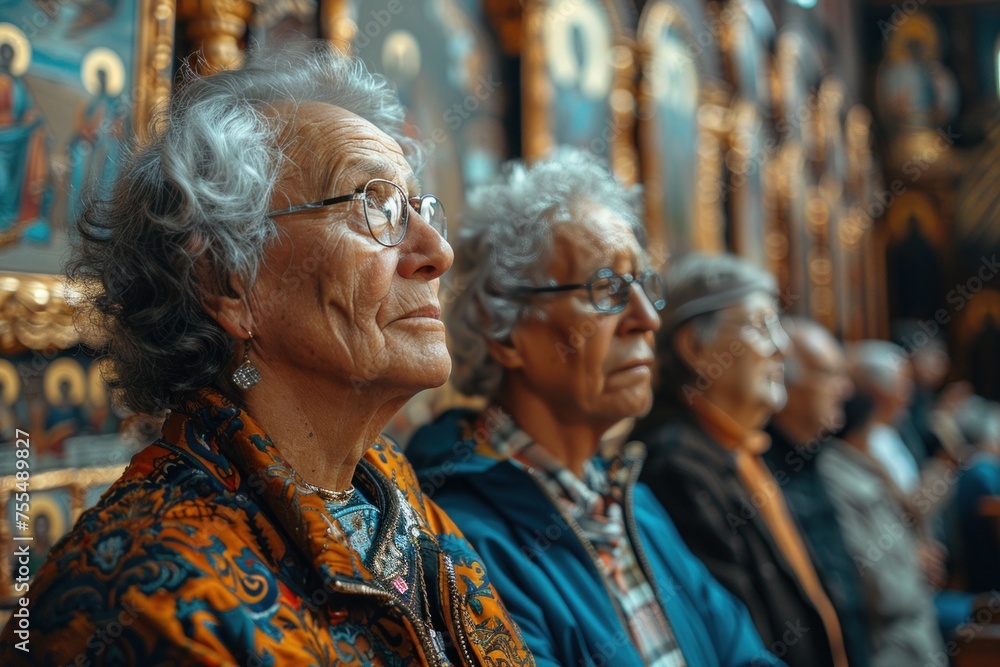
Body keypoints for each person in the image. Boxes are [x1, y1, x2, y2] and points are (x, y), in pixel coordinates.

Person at [0, 42, 534, 666]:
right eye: (376, 207)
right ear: (228, 282)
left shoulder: (386, 487)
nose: (438, 252)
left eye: (419, 209)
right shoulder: (152, 596)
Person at [408, 149, 782, 667]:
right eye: (606, 289)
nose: (647, 319)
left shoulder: (634, 502)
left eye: (644, 285)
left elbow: (745, 655)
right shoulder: (462, 536)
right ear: (505, 329)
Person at [631, 253, 847, 667]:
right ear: (696, 348)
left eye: (778, 325)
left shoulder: (739, 448)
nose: (782, 346)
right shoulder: (674, 467)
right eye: (761, 326)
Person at [818, 342, 948, 666]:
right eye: (903, 386)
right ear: (877, 393)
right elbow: (879, 589)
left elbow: (905, 513)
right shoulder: (836, 465)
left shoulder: (889, 438)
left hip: (918, 610)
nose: (909, 396)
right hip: (893, 638)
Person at [762, 318, 869, 667]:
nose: (846, 390)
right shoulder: (759, 470)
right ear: (784, 380)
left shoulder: (816, 455)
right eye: (830, 374)